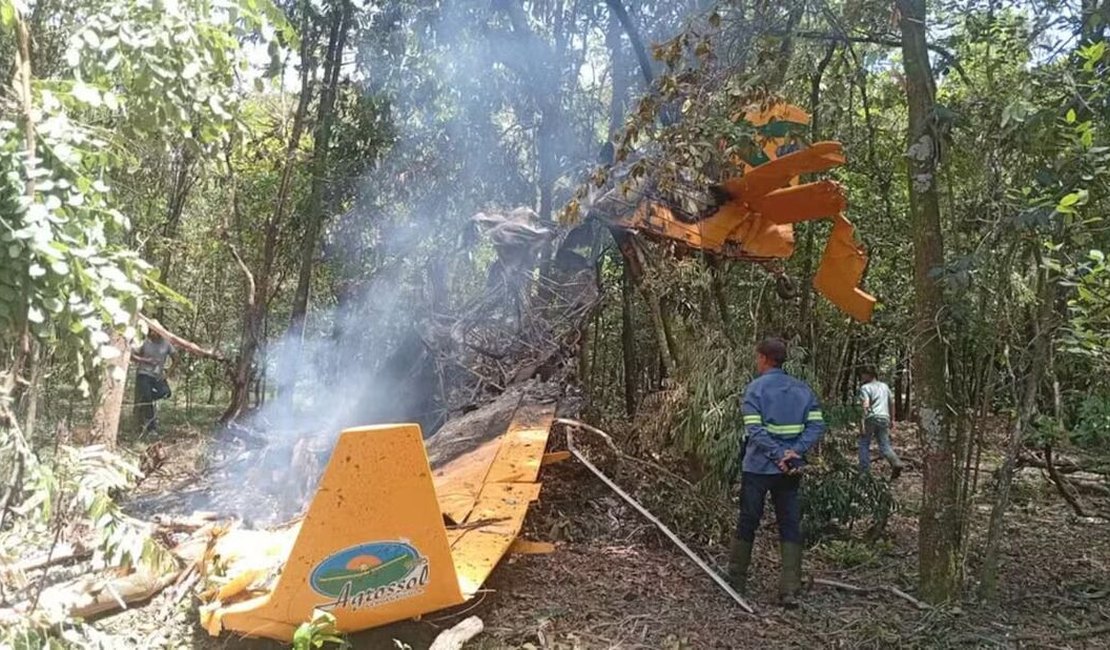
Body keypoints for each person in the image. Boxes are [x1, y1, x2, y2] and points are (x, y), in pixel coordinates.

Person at [726, 337, 825, 607]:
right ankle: (789, 588)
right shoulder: (802, 389)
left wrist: (777, 454)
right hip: (790, 470)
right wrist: (795, 452)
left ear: (763, 358)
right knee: (790, 522)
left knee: (749, 519)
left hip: (758, 467)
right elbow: (816, 425)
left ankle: (736, 579)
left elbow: (754, 430)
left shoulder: (755, 390)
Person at [858, 366, 904, 479]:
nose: (861, 377)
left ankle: (864, 472)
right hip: (884, 417)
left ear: (868, 375)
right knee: (884, 444)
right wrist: (892, 419)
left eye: (863, 374)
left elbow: (865, 405)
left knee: (864, 443)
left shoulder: (865, 388)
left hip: (871, 417)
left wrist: (862, 423)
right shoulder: (885, 386)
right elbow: (891, 403)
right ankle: (896, 462)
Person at [132, 330, 174, 436]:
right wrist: (145, 361)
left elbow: (176, 358)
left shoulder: (166, 344)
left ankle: (146, 399)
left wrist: (168, 373)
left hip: (157, 376)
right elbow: (132, 356)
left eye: (155, 332)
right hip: (144, 374)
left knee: (166, 392)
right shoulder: (144, 342)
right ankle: (151, 428)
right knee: (148, 400)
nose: (153, 334)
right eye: (151, 332)